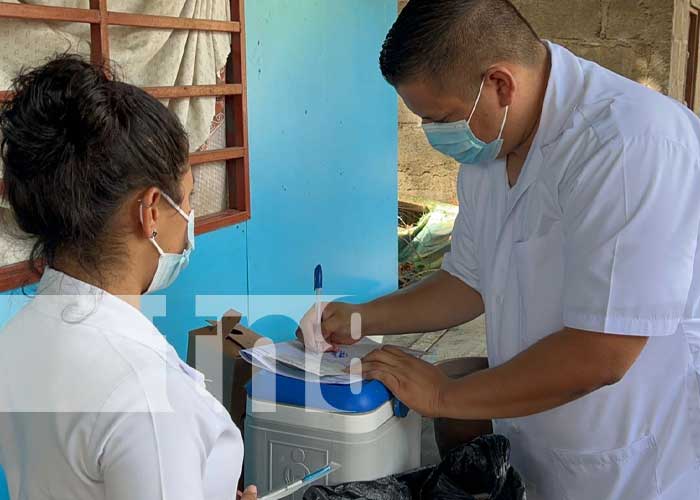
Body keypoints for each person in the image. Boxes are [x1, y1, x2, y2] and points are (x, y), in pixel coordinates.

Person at [297, 0, 700, 498]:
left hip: (627, 459)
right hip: (536, 433)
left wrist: (443, 394)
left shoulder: (630, 145)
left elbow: (604, 352)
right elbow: (468, 280)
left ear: (500, 85)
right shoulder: (492, 147)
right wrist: (358, 319)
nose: (434, 135)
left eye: (440, 117)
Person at [0, 55, 256, 500]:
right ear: (152, 211)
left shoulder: (18, 336)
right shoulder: (147, 397)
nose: (191, 217)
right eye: (189, 198)